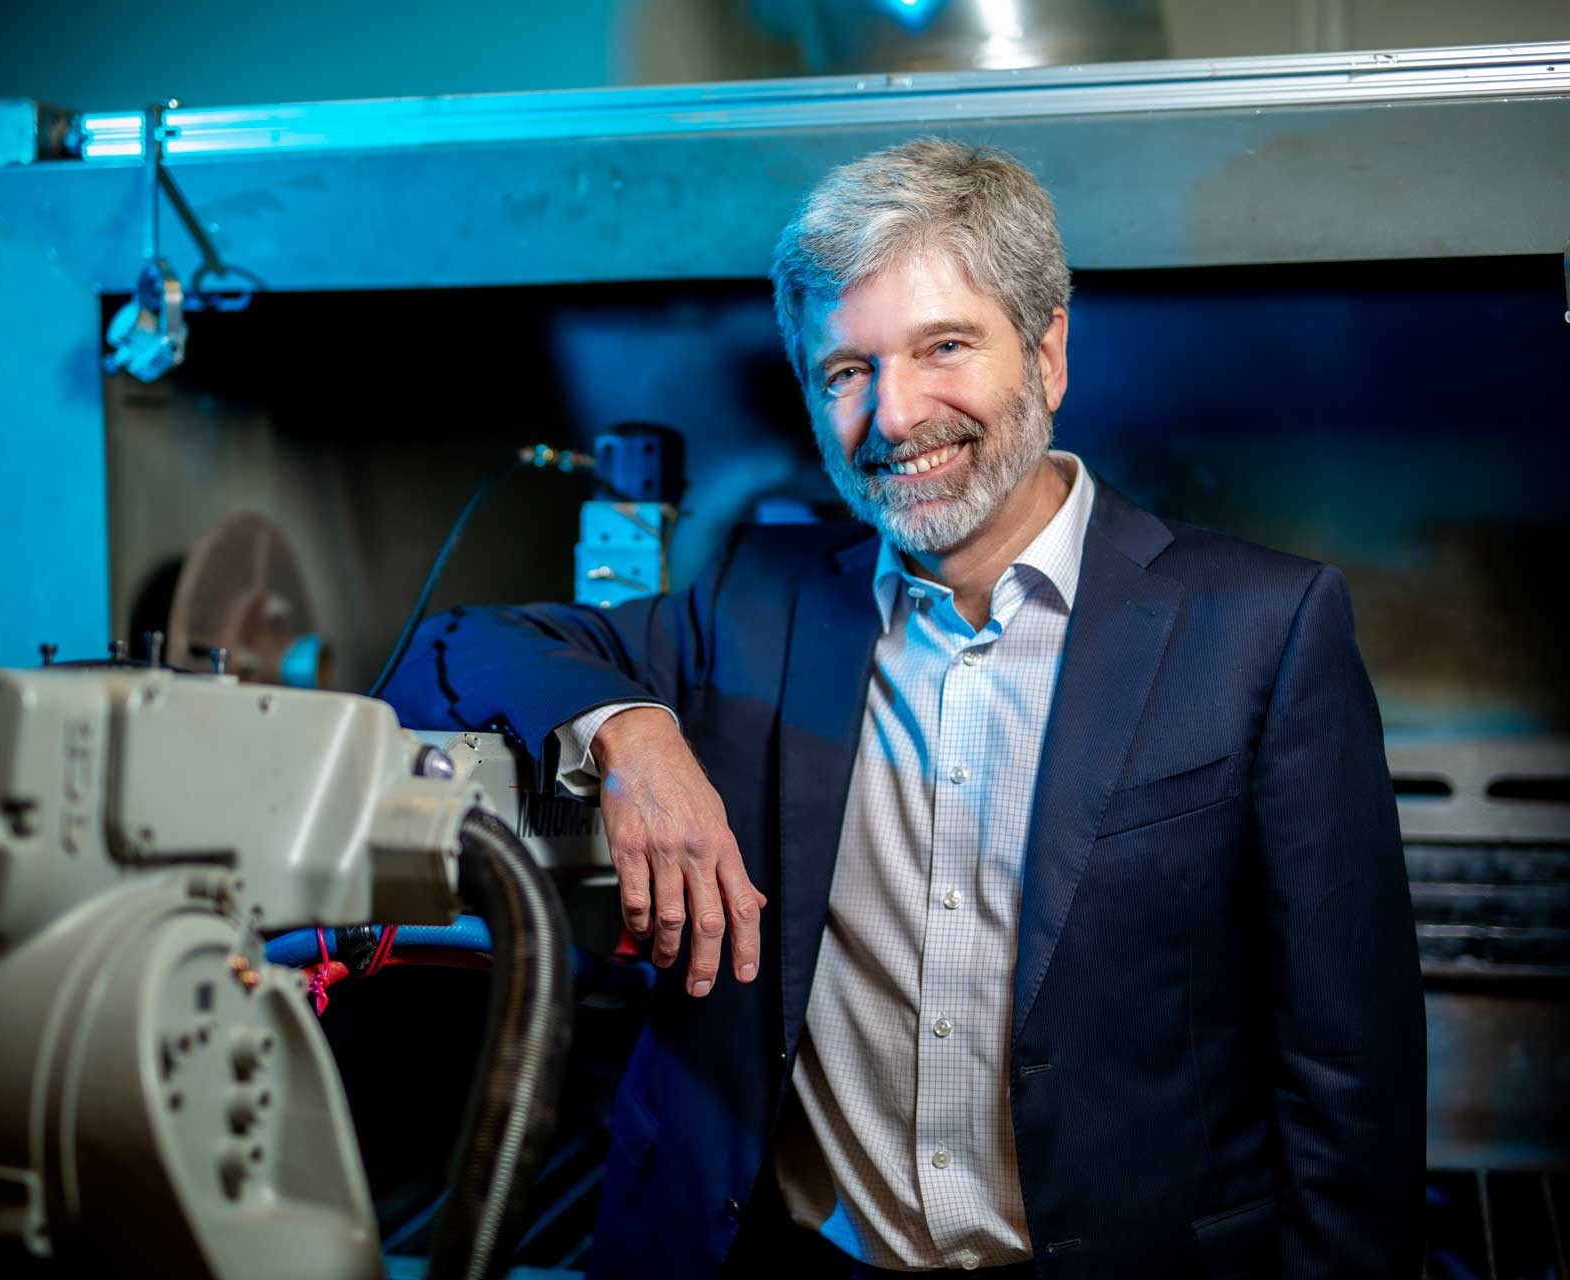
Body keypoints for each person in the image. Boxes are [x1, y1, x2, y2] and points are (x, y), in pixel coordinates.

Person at [382, 138, 1424, 1278]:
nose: (892, 413)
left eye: (943, 346)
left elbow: (1349, 1070)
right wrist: (633, 733)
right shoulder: (760, 596)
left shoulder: (1262, 628)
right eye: (845, 370)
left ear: (1047, 352)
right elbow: (454, 648)